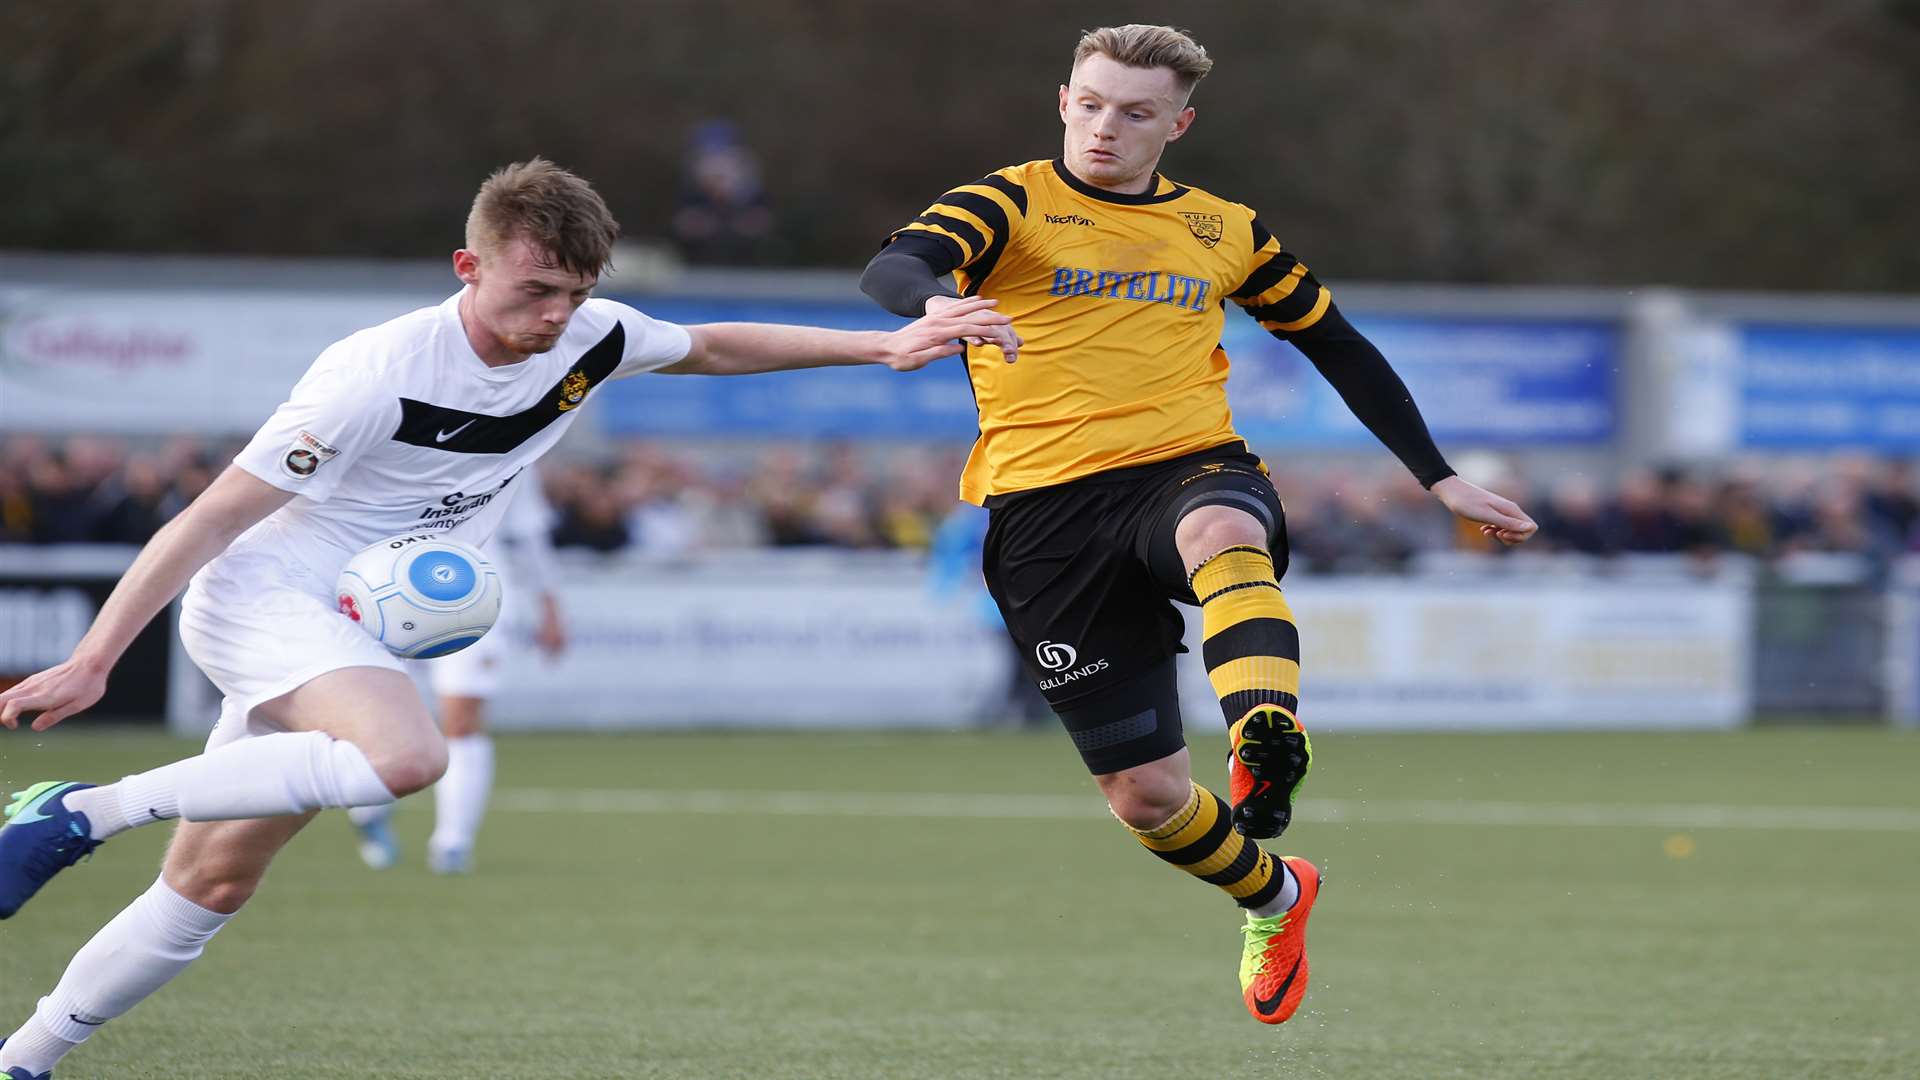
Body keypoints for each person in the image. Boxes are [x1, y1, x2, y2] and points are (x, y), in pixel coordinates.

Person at [0, 157, 1011, 1078]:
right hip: (272, 595)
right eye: (536, 290)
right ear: (467, 267)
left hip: (361, 622)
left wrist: (883, 349)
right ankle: (85, 809)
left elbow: (709, 345)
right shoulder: (375, 372)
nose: (557, 316)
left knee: (213, 882)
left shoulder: (590, 335)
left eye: (577, 293)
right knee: (408, 759)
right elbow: (212, 517)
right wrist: (96, 658)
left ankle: (28, 1056)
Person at [859, 24, 1537, 1026]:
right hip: (1042, 514)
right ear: (1062, 100)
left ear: (1178, 124)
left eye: (1135, 114)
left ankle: (1265, 728)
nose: (1106, 128)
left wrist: (1437, 479)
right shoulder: (1009, 200)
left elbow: (1338, 345)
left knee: (1222, 531)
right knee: (1144, 798)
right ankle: (1276, 892)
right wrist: (932, 305)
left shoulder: (1225, 229)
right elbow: (895, 266)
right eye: (1090, 104)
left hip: (1187, 464)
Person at [347, 466, 566, 875]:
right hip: (388, 595)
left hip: (477, 598)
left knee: (463, 719)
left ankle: (453, 842)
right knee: (382, 719)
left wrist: (549, 602)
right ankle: (369, 813)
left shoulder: (520, 440)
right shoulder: (397, 425)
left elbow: (528, 531)